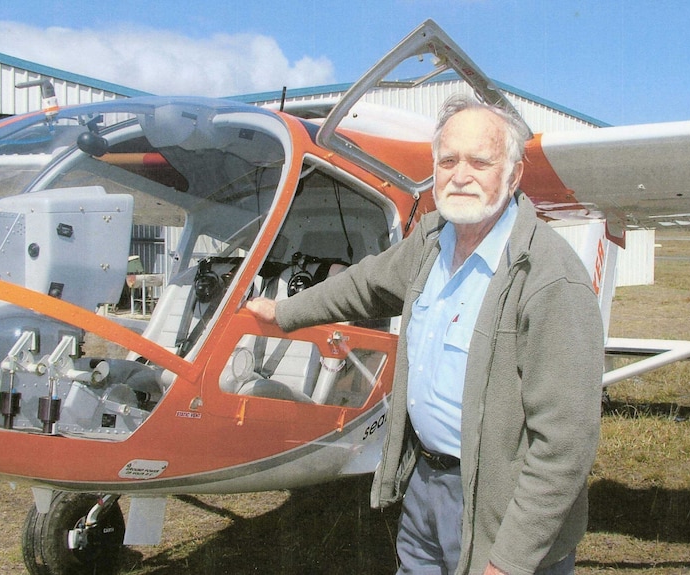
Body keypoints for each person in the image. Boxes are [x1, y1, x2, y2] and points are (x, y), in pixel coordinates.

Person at [246, 94, 603, 575]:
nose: (460, 175)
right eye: (448, 160)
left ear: (514, 175)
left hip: (502, 504)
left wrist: (511, 562)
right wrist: (284, 313)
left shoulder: (549, 278)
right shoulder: (433, 242)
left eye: (481, 161)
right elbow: (364, 284)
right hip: (427, 483)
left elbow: (564, 448)